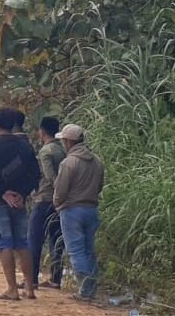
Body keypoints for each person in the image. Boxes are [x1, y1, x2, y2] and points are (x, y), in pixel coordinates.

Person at [0, 108, 41, 301]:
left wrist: (3, 193)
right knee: (22, 242)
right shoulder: (25, 146)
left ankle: (11, 288)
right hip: (19, 201)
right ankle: (29, 288)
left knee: (5, 243)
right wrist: (22, 194)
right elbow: (35, 174)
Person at [53, 123, 104, 301]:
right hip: (91, 209)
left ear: (69, 142)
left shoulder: (69, 162)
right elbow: (99, 186)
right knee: (89, 250)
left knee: (76, 251)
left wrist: (58, 203)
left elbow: (60, 190)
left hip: (72, 210)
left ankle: (84, 290)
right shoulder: (97, 161)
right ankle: (92, 288)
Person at [29, 117, 66, 291]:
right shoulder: (63, 149)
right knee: (56, 239)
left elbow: (50, 176)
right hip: (60, 202)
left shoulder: (46, 151)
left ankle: (32, 278)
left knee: (35, 238)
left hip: (44, 199)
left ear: (42, 131)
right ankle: (56, 278)